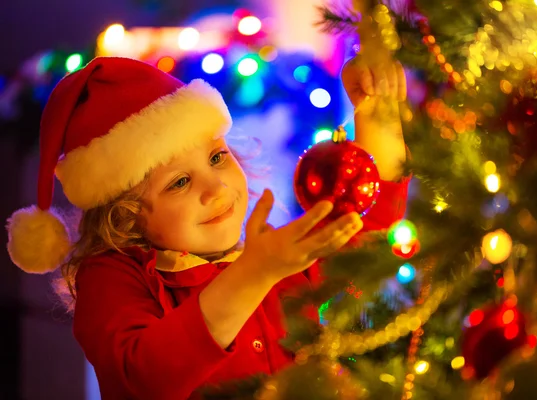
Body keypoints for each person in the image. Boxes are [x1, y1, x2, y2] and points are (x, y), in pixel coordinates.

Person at [6, 56, 409, 399]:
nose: (216, 187)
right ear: (124, 216)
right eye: (179, 182)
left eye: (217, 157)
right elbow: (144, 377)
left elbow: (366, 224)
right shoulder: (113, 276)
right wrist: (255, 273)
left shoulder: (272, 253)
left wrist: (376, 111)